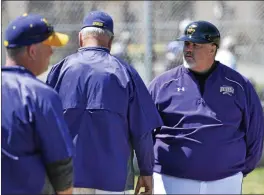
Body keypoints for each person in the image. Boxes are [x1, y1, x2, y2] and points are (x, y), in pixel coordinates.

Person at [46, 10, 163, 194]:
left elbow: (46, 126)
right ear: (110, 41)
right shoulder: (125, 72)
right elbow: (142, 132)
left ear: (80, 38)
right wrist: (146, 171)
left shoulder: (60, 70)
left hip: (68, 177)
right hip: (112, 179)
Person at [148, 20, 264, 194]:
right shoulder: (161, 85)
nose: (188, 49)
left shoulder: (239, 85)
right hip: (171, 179)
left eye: (195, 44)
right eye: (186, 43)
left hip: (225, 181)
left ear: (212, 48)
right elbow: (144, 133)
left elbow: (255, 134)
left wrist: (236, 170)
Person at [2, 13, 74, 194]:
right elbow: (60, 164)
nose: (52, 52)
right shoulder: (41, 95)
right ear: (32, 51)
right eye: (48, 46)